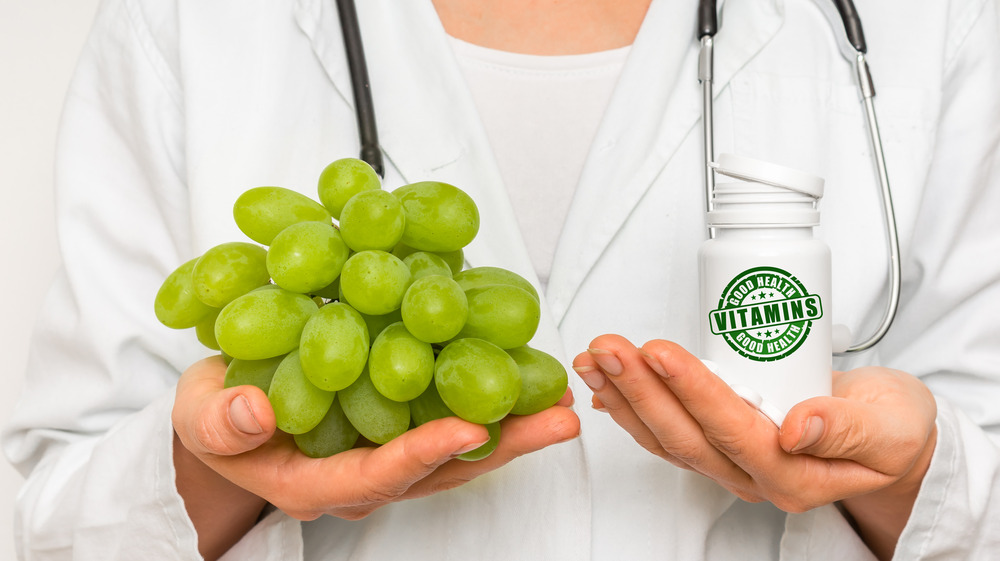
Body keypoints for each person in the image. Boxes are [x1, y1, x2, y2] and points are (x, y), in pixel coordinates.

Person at [4, 0, 999, 559]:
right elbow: (49, 520)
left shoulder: (929, 24)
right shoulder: (187, 25)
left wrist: (915, 473)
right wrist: (208, 465)